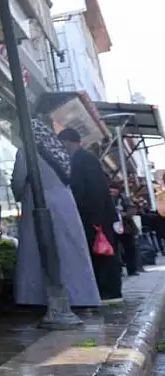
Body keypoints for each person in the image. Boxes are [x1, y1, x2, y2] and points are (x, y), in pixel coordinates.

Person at [11, 118, 100, 308]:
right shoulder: (57, 150)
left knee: (37, 250)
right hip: (66, 205)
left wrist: (18, 193)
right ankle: (81, 298)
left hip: (39, 202)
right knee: (70, 250)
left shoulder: (26, 151)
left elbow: (19, 181)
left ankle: (37, 299)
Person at [58, 128, 122, 302]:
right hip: (94, 216)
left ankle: (110, 292)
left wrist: (95, 218)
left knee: (103, 253)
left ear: (68, 142)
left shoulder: (85, 159)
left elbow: (96, 190)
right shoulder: (81, 159)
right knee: (99, 252)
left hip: (96, 217)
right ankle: (105, 291)